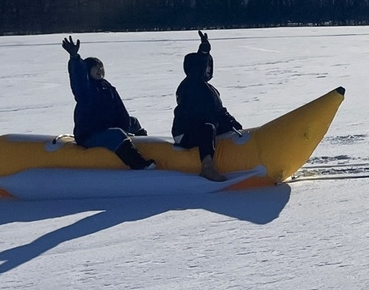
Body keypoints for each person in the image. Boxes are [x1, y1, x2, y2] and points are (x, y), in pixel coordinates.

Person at [61, 37, 155, 170]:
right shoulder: (85, 90)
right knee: (116, 134)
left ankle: (151, 150)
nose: (100, 70)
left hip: (106, 128)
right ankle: (138, 164)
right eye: (95, 68)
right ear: (88, 71)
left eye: (101, 67)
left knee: (133, 122)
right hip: (89, 135)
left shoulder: (107, 87)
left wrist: (125, 125)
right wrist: (75, 58)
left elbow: (120, 109)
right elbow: (78, 78)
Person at [172, 31, 242, 182]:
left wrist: (233, 124)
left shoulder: (209, 89)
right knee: (208, 128)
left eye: (210, 66)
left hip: (199, 128)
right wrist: (204, 51)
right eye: (206, 66)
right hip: (184, 132)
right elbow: (205, 114)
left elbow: (219, 111)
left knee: (220, 128)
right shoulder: (190, 84)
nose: (208, 69)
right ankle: (207, 168)